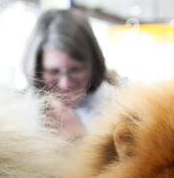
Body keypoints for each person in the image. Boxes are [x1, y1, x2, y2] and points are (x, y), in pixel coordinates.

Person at [23, 9, 117, 140]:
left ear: (93, 65)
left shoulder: (115, 108)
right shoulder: (23, 113)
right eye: (53, 71)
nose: (65, 84)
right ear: (37, 69)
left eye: (75, 70)